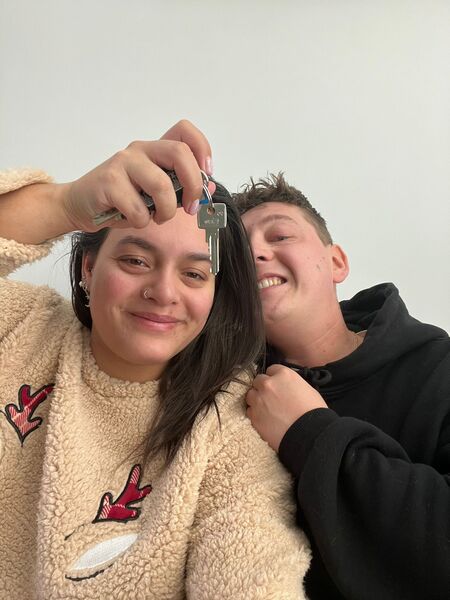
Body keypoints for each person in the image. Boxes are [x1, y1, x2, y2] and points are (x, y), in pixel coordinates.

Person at [0, 124, 311, 599]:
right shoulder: (21, 326)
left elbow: (254, 565)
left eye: (194, 274)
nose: (164, 292)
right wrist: (63, 204)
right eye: (136, 262)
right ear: (88, 268)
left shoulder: (226, 432)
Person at [234, 173, 450, 600]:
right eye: (238, 252)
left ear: (336, 263)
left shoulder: (437, 366)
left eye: (279, 235)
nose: (255, 253)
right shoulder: (226, 393)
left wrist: (308, 432)